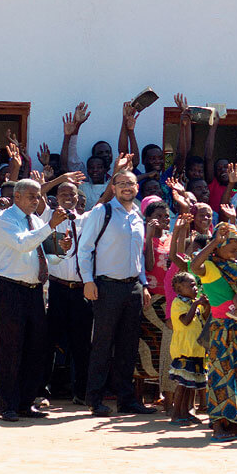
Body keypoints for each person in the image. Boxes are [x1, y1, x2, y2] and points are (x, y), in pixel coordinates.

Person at [0, 178, 73, 421]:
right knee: (11, 348)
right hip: (10, 288)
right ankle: (7, 403)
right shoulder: (3, 220)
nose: (37, 200)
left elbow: (41, 255)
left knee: (35, 347)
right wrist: (50, 226)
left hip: (34, 290)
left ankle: (25, 402)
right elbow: (22, 244)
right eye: (31, 195)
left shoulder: (37, 220)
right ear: (17, 196)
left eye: (38, 196)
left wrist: (61, 251)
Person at [77, 158, 158, 417]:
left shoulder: (137, 215)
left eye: (131, 183)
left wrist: (143, 284)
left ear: (137, 187)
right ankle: (95, 399)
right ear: (113, 186)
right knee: (102, 345)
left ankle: (127, 400)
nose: (126, 187)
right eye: (121, 183)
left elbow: (138, 255)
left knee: (128, 346)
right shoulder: (102, 212)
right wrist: (88, 280)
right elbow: (85, 248)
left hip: (132, 288)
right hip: (105, 287)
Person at [190, 223, 237, 441]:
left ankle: (236, 423)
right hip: (222, 329)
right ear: (218, 248)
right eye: (231, 250)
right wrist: (213, 242)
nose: (235, 255)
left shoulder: (236, 269)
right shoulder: (211, 267)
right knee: (221, 375)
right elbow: (194, 265)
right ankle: (219, 425)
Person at [44, 180, 95, 405]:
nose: (67, 196)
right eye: (62, 193)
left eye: (71, 194)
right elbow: (40, 190)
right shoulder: (47, 216)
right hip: (57, 287)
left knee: (81, 344)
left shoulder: (85, 220)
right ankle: (41, 392)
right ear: (56, 197)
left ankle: (81, 392)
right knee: (49, 342)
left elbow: (103, 202)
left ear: (77, 198)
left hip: (80, 290)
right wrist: (59, 177)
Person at [167, 272, 208, 426]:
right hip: (184, 350)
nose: (195, 288)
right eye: (190, 285)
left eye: (195, 284)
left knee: (192, 384)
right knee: (183, 384)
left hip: (196, 350)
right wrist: (196, 304)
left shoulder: (192, 303)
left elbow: (204, 318)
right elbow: (185, 321)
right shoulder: (178, 303)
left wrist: (206, 305)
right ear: (179, 289)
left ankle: (186, 412)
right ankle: (176, 413)